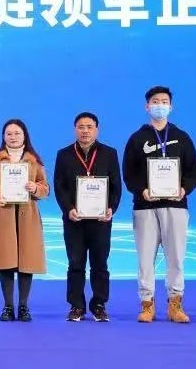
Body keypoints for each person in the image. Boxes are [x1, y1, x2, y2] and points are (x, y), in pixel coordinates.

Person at [122, 86, 196, 323]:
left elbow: (193, 170)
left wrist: (184, 188)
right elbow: (128, 172)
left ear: (171, 107)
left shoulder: (182, 137)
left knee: (176, 258)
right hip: (145, 206)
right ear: (147, 106)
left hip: (176, 206)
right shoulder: (137, 138)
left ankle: (175, 304)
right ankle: (147, 304)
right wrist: (141, 190)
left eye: (164, 101)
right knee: (145, 259)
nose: (160, 105)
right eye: (155, 101)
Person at [53, 112, 122, 322]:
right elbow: (59, 187)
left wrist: (111, 208)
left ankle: (99, 305)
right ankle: (76, 306)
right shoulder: (64, 154)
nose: (85, 131)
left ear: (97, 130)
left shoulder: (109, 153)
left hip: (101, 220)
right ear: (75, 129)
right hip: (74, 220)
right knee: (75, 263)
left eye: (89, 127)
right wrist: (68, 209)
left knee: (100, 263)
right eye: (81, 127)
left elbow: (116, 186)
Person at [0, 119, 48, 322]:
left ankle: (24, 306)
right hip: (4, 216)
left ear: (25, 135)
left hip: (28, 217)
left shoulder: (34, 161)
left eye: (17, 133)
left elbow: (45, 188)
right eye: (9, 133)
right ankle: (8, 306)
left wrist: (35, 188)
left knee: (27, 262)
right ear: (3, 137)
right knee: (6, 262)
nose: (13, 137)